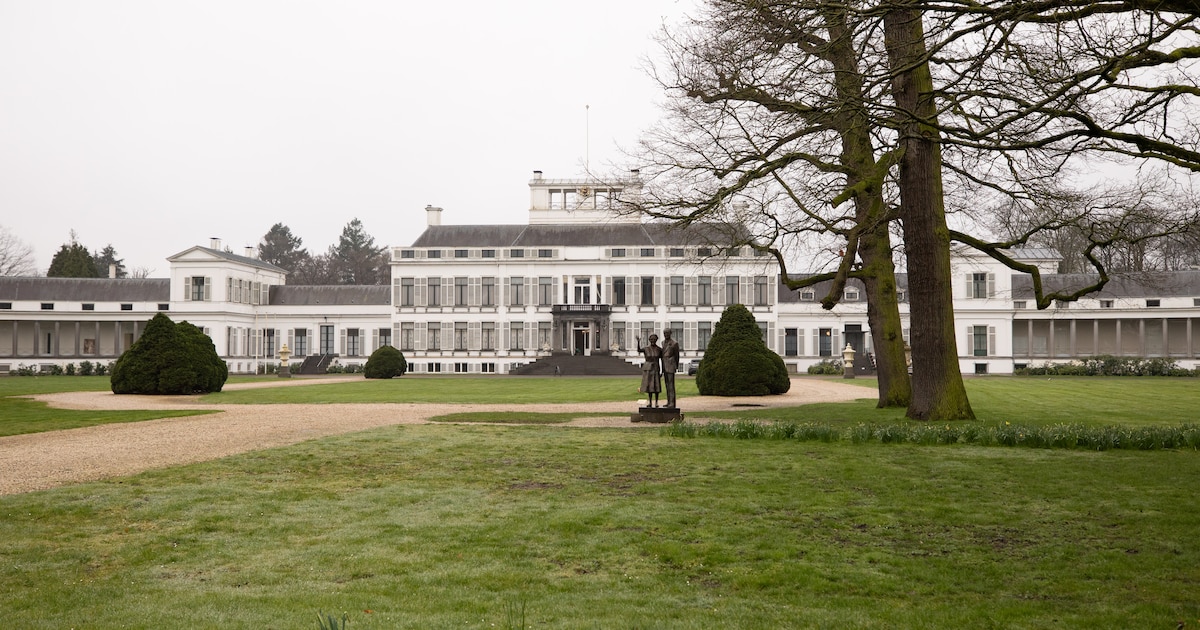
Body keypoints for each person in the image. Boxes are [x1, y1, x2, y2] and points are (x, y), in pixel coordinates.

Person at [636, 334, 662, 407]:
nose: (653, 341)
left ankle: (656, 402)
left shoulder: (659, 349)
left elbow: (662, 359)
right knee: (650, 386)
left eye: (654, 339)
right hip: (648, 368)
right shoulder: (646, 349)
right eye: (651, 339)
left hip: (656, 368)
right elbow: (639, 350)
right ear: (649, 340)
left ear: (656, 340)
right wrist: (638, 342)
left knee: (656, 386)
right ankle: (650, 402)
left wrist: (662, 371)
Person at [660, 328, 680, 408]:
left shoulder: (674, 343)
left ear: (670, 333)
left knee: (671, 385)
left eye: (667, 333)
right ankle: (668, 401)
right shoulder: (662, 343)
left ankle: (672, 402)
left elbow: (677, 356)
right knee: (667, 385)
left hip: (671, 365)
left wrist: (676, 366)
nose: (666, 335)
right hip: (665, 366)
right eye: (664, 333)